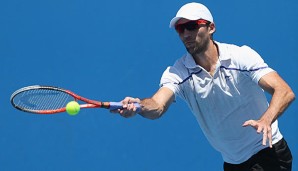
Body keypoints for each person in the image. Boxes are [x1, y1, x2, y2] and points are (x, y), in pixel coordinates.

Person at [112, 2, 295, 171]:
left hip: (269, 153)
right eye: (180, 28)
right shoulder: (178, 73)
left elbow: (284, 91)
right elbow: (158, 105)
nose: (185, 34)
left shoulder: (241, 57)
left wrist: (266, 120)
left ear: (211, 27)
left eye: (191, 26)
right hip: (233, 163)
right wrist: (139, 106)